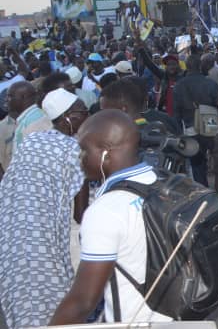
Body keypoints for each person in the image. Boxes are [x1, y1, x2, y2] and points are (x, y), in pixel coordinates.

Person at [50, 110, 171, 324]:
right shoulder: (161, 180)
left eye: (83, 150)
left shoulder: (105, 210)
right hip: (176, 315)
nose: (79, 158)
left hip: (135, 320)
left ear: (106, 153)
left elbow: (82, 302)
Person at [0, 90, 87, 328]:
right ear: (68, 116)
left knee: (23, 307)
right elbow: (81, 214)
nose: (87, 118)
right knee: (53, 306)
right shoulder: (75, 150)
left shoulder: (31, 141)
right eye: (83, 113)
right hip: (46, 249)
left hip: (13, 242)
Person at [172, 52, 218, 185]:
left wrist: (178, 134)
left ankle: (204, 191)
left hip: (190, 129)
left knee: (197, 166)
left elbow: (176, 113)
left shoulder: (179, 85)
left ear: (186, 66)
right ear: (200, 66)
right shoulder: (211, 84)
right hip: (212, 127)